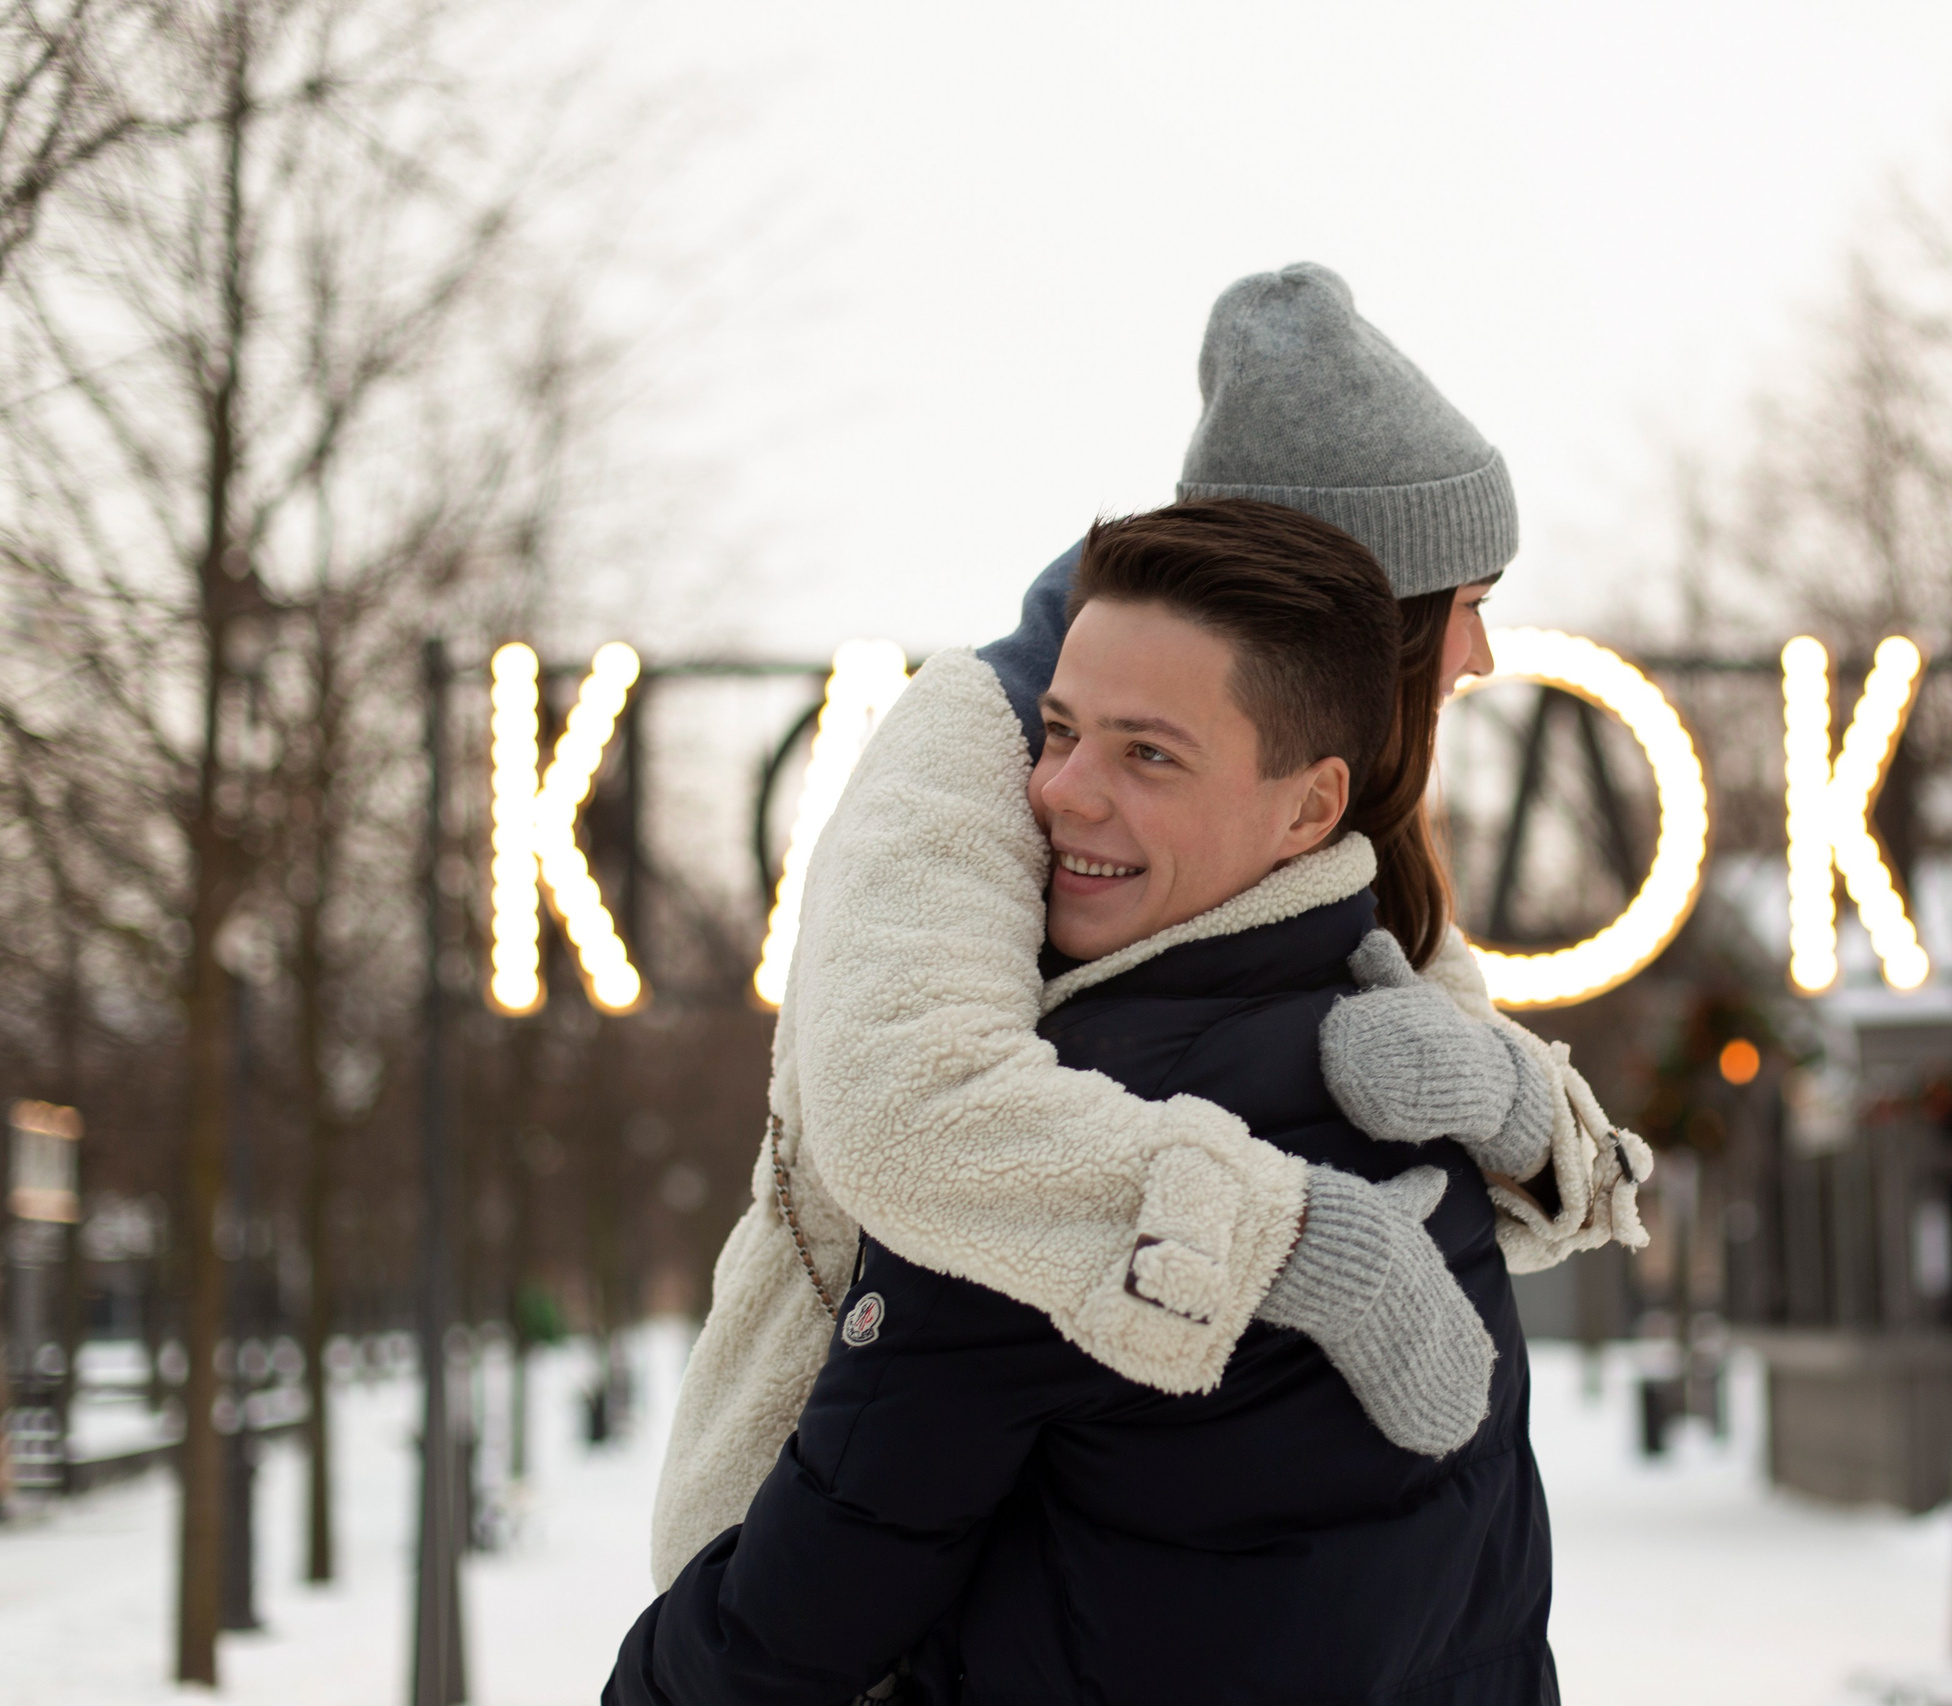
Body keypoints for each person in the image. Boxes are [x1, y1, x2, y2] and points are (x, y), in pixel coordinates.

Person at [650, 264, 1649, 1591]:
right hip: (836, 1550)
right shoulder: (984, 735)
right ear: (1369, 603)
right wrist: (1300, 1238)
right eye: (1466, 600)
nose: (1479, 653)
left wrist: (1515, 1100)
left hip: (1123, 1541)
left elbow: (1426, 1060)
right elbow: (910, 1106)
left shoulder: (1322, 789)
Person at [613, 501, 1560, 1704]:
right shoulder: (1420, 1064)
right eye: (1056, 730)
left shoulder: (1048, 1147)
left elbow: (791, 1625)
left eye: (1148, 753)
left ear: (1313, 806)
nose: (1061, 792)